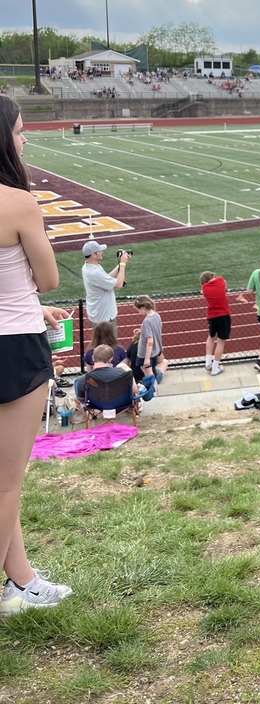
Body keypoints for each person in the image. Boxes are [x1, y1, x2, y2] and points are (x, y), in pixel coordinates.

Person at [0, 95, 72, 617]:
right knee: (7, 484)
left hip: (16, 324)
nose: (24, 140)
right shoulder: (19, 202)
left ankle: (20, 581)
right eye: (20, 131)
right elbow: (48, 278)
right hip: (15, 346)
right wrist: (31, 301)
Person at [74, 343, 153, 407]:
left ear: (93, 358)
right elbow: (134, 390)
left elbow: (82, 399)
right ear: (110, 359)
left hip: (96, 405)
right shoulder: (124, 373)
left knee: (77, 385)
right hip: (121, 404)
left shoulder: (83, 379)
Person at [81, 241, 130, 336]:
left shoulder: (90, 267)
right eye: (99, 251)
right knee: (109, 344)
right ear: (93, 255)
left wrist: (121, 263)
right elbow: (119, 284)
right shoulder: (94, 272)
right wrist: (123, 264)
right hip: (104, 318)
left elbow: (107, 278)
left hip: (99, 315)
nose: (101, 252)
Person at [200, 271, 231, 376]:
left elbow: (203, 289)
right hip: (223, 315)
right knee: (221, 341)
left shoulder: (204, 288)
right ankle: (215, 367)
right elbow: (224, 282)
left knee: (211, 337)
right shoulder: (220, 281)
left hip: (212, 316)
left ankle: (208, 362)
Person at [133, 295, 167, 383]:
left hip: (145, 353)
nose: (139, 312)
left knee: (149, 375)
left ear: (143, 307)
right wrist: (142, 332)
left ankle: (152, 387)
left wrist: (147, 358)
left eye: (139, 310)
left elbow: (150, 340)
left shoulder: (147, 321)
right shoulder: (157, 315)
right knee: (150, 372)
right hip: (155, 351)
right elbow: (155, 331)